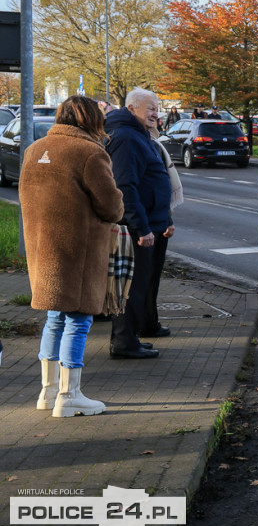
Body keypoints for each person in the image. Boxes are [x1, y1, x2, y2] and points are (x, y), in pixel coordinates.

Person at [20, 97, 124, 415]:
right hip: (78, 252)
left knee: (54, 319)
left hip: (42, 249)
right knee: (78, 320)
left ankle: (48, 392)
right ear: (91, 120)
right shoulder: (90, 153)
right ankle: (69, 395)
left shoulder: (34, 149)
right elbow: (112, 206)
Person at [105, 88, 174, 358]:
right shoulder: (126, 137)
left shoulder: (136, 133)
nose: (156, 113)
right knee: (132, 286)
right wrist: (142, 227)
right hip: (137, 228)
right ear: (132, 108)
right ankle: (123, 342)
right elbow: (125, 187)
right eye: (150, 108)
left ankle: (130, 337)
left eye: (157, 108)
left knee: (139, 283)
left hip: (148, 222)